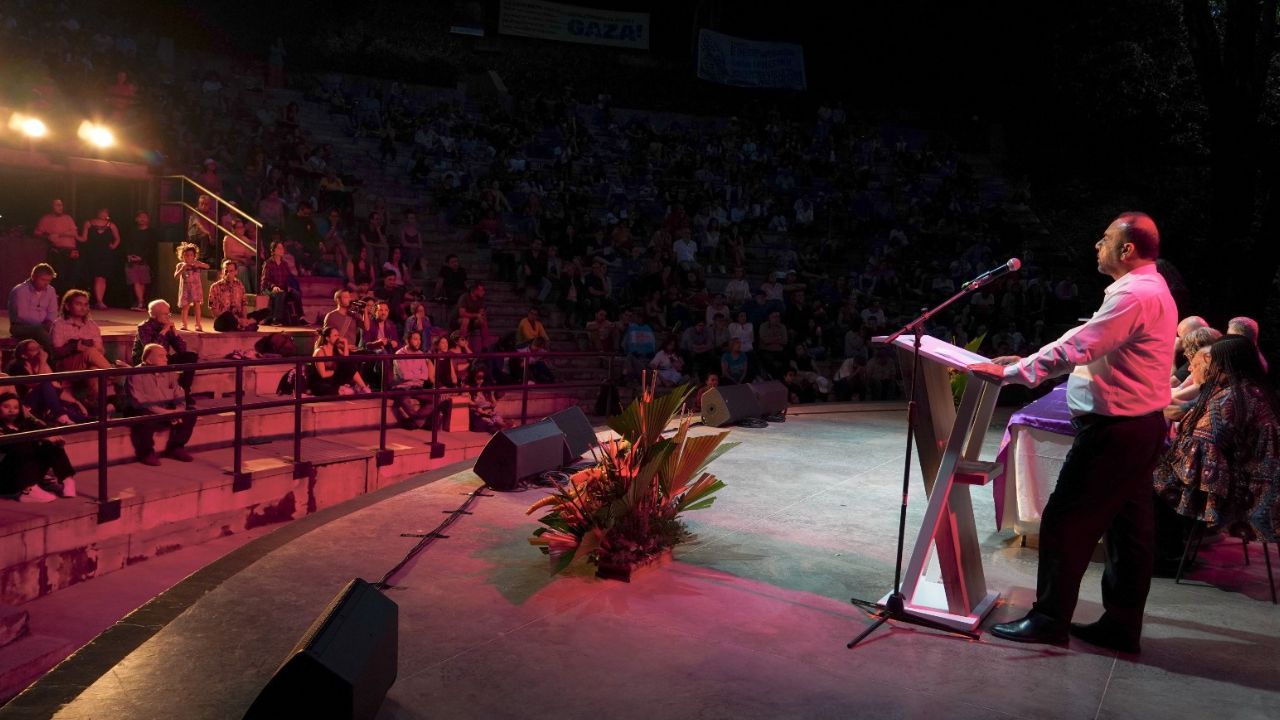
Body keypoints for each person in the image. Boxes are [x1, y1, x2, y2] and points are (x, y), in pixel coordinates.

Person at [970, 212, 1176, 652]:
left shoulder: (1135, 294)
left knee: (1066, 521)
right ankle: (1121, 625)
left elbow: (1081, 345)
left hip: (1116, 431)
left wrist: (1014, 373)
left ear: (1126, 249)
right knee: (1128, 532)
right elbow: (1084, 336)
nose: (1095, 246)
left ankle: (1049, 619)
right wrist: (1025, 361)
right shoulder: (1147, 288)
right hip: (1136, 429)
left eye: (1104, 239)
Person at [1153, 336, 1280, 556]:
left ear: (1223, 363)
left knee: (1147, 481)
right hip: (1250, 481)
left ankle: (1164, 556)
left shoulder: (1231, 398)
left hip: (1235, 488)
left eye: (1213, 361)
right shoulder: (1251, 390)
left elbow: (1200, 447)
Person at [50, 289, 126, 408]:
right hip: (67, 364)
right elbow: (56, 352)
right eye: (78, 304)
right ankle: (113, 375)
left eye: (86, 304)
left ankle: (94, 403)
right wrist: (75, 347)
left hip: (90, 363)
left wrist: (89, 348)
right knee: (90, 352)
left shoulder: (92, 325)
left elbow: (100, 350)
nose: (83, 307)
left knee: (95, 370)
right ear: (67, 306)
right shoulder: (59, 324)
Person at [126, 343, 196, 466]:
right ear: (149, 359)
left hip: (166, 410)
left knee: (191, 412)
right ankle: (146, 453)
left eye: (165, 355)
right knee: (143, 417)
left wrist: (178, 410)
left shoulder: (170, 372)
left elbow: (179, 394)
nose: (166, 358)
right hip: (147, 410)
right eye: (161, 356)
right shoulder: (136, 374)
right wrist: (167, 413)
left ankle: (176, 447)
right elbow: (140, 402)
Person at [0, 392, 77, 502]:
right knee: (19, 443)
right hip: (6, 477)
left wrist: (53, 438)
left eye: (16, 407)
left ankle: (67, 480)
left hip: (27, 472)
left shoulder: (23, 424)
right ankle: (28, 490)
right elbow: (8, 445)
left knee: (51, 443)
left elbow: (43, 427)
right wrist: (39, 438)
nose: (12, 410)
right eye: (6, 407)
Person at [132, 300, 199, 408]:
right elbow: (151, 349)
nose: (168, 316)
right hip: (145, 360)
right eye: (165, 314)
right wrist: (163, 331)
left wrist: (175, 333)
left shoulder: (166, 325)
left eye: (169, 313)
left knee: (190, 356)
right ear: (154, 315)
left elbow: (182, 349)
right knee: (159, 359)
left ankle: (184, 393)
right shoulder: (143, 327)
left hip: (162, 359)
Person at [6, 340, 88, 425]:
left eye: (39, 347)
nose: (39, 351)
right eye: (34, 349)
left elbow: (55, 387)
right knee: (45, 383)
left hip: (43, 400)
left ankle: (85, 420)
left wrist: (76, 402)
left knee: (69, 406)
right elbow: (36, 383)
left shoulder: (37, 363)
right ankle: (60, 416)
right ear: (24, 355)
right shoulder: (16, 366)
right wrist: (42, 362)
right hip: (26, 404)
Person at [391, 330, 449, 430]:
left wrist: (413, 375)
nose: (418, 342)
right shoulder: (399, 354)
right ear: (407, 341)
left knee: (435, 399)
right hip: (402, 388)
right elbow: (404, 375)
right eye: (415, 339)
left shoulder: (421, 354)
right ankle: (420, 423)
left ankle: (413, 423)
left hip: (417, 387)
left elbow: (425, 376)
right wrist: (417, 375)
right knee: (404, 400)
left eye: (419, 339)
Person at [8, 264, 59, 351]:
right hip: (21, 327)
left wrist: (49, 322)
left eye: (49, 280)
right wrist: (42, 326)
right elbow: (22, 315)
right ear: (33, 277)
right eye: (43, 280)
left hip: (43, 326)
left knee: (61, 327)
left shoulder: (51, 290)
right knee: (39, 331)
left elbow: (53, 312)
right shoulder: (20, 291)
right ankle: (54, 356)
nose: (46, 283)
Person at [307, 327, 370, 396]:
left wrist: (345, 343)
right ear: (327, 338)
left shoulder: (335, 348)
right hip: (320, 381)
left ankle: (363, 387)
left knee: (348, 365)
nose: (338, 338)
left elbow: (346, 361)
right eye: (335, 335)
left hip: (331, 378)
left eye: (338, 335)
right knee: (337, 391)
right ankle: (347, 389)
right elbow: (323, 374)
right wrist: (335, 371)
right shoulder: (320, 351)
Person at [79, 207, 121, 309]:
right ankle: (93, 301)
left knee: (102, 277)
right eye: (102, 211)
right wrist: (73, 234)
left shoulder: (111, 225)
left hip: (105, 253)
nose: (103, 214)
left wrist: (114, 246)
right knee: (91, 277)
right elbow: (84, 238)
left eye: (105, 212)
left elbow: (117, 238)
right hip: (92, 253)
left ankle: (99, 300)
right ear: (97, 212)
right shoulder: (88, 223)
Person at [33, 199, 80, 290]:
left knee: (72, 275)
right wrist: (48, 236)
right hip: (57, 251)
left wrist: (59, 234)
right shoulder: (46, 219)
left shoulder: (67, 218)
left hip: (70, 250)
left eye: (61, 205)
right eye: (57, 205)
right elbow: (37, 233)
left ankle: (67, 297)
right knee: (58, 275)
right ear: (52, 206)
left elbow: (74, 233)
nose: (60, 207)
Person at [208, 260, 259, 332]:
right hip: (224, 319)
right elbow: (213, 309)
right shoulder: (215, 287)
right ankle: (243, 326)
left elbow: (244, 304)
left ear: (236, 272)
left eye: (231, 271)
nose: (228, 273)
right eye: (226, 271)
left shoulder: (239, 285)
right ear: (222, 271)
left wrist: (244, 319)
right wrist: (236, 319)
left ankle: (242, 325)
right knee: (228, 315)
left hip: (239, 318)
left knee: (265, 311)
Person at [260, 241, 300, 325]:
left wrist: (289, 286)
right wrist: (273, 286)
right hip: (268, 289)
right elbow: (265, 281)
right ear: (273, 250)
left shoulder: (284, 264)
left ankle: (299, 318)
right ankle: (276, 319)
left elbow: (289, 277)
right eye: (279, 248)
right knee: (280, 294)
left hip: (282, 288)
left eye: (282, 248)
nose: (281, 250)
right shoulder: (268, 264)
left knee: (296, 293)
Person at [173, 243, 210, 331]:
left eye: (191, 255)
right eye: (186, 255)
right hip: (186, 289)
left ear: (194, 256)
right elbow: (176, 276)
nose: (189, 257)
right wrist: (182, 269)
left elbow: (207, 266)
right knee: (185, 306)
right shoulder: (180, 265)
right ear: (182, 256)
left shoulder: (197, 263)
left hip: (196, 288)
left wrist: (199, 265)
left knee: (197, 305)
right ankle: (184, 323)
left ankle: (198, 324)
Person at [124, 211, 155, 311]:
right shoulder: (132, 231)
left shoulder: (151, 233)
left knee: (142, 281)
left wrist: (142, 257)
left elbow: (150, 247)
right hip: (132, 260)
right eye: (140, 217)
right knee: (135, 281)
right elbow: (128, 244)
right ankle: (140, 301)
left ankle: (141, 302)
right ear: (136, 219)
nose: (142, 219)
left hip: (144, 261)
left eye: (144, 217)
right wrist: (129, 255)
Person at [468, 367, 509, 433]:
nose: (481, 381)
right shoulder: (469, 388)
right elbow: (468, 401)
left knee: (498, 421)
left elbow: (494, 404)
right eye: (478, 378)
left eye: (482, 378)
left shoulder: (485, 389)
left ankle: (505, 428)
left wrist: (492, 395)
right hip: (480, 413)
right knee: (491, 424)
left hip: (489, 412)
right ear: (474, 377)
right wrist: (477, 407)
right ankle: (501, 429)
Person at [455, 282, 489, 348]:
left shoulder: (481, 299)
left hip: (473, 320)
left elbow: (480, 313)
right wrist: (477, 315)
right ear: (474, 290)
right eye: (481, 290)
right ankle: (462, 345)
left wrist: (482, 316)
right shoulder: (464, 297)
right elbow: (462, 314)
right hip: (459, 320)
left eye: (484, 290)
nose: (483, 292)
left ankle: (485, 347)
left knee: (483, 321)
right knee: (466, 320)